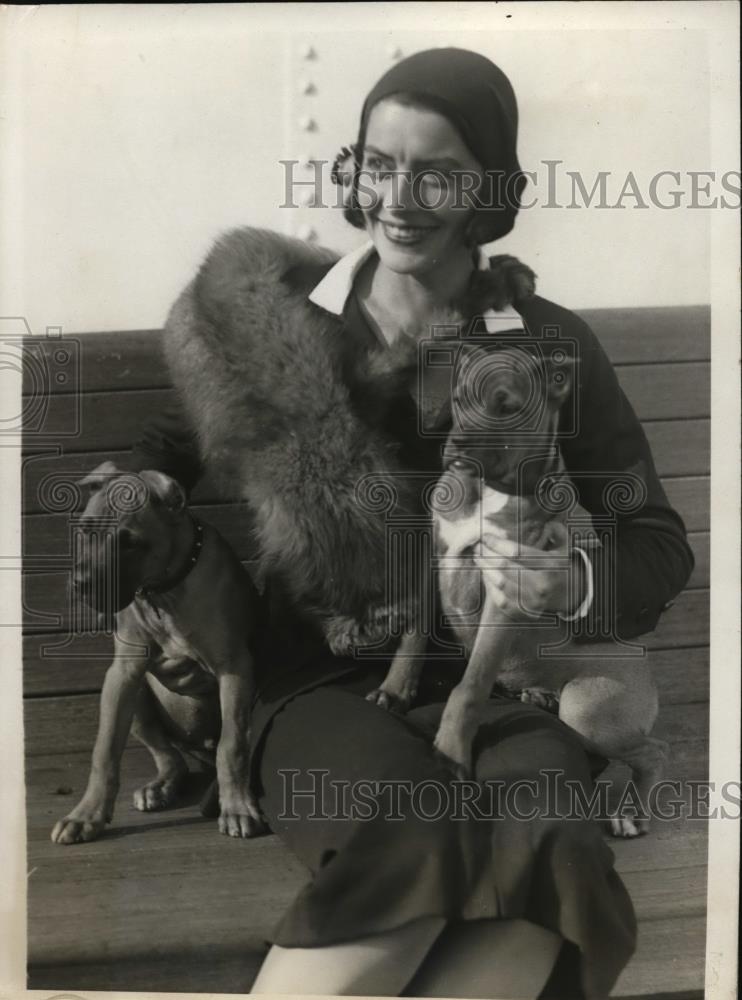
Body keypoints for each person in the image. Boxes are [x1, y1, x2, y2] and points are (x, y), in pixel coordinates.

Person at [130, 48, 694, 998]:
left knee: (551, 834)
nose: (399, 195)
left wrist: (578, 584)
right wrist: (139, 504)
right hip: (317, 680)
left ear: (490, 188)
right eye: (377, 163)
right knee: (414, 814)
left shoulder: (550, 344)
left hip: (505, 678)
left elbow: (657, 543)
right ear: (350, 172)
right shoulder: (270, 322)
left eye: (437, 170)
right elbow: (162, 459)